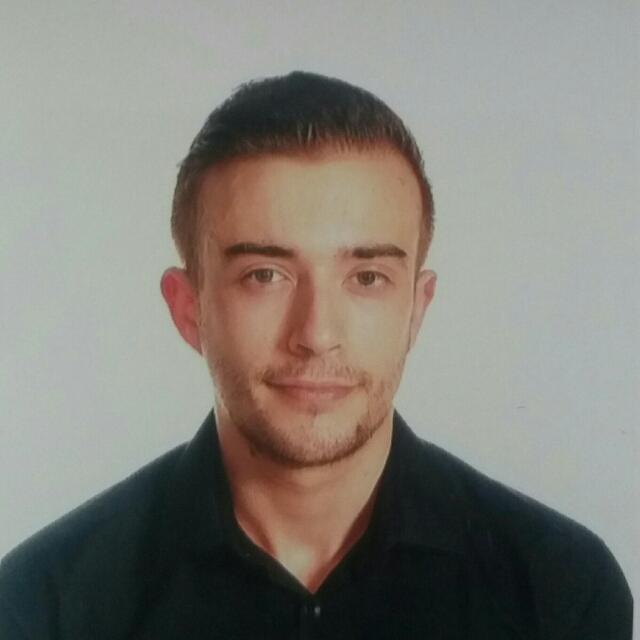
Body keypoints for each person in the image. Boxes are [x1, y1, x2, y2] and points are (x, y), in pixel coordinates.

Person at [0, 71, 632, 639]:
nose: (316, 332)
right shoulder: (41, 607)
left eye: (367, 278)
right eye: (265, 275)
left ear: (417, 308)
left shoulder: (562, 593)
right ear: (188, 308)